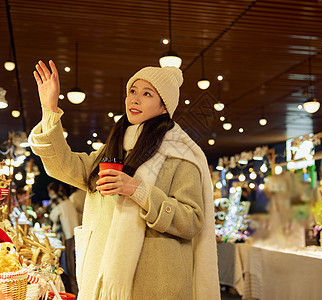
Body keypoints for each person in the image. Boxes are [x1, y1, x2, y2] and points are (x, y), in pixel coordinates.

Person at [28, 60, 220, 299]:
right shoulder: (113, 147)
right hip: (103, 277)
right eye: (132, 91)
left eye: (147, 93)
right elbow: (65, 166)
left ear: (164, 107)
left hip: (156, 285)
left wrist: (138, 190)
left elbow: (192, 220)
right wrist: (50, 109)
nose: (134, 99)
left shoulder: (179, 155)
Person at [47, 181, 80, 295]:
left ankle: (72, 289)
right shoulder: (67, 199)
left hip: (66, 234)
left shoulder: (56, 200)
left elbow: (53, 216)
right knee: (73, 261)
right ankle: (74, 288)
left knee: (69, 263)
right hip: (74, 231)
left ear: (52, 191)